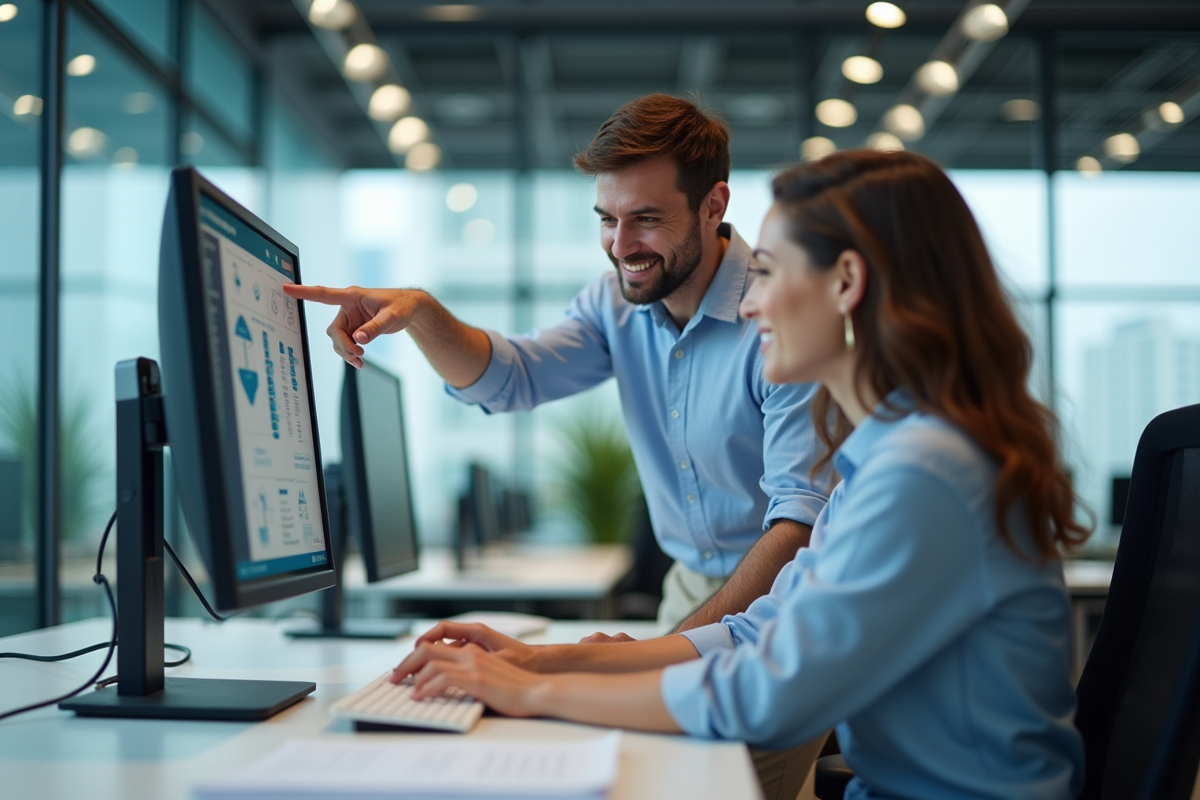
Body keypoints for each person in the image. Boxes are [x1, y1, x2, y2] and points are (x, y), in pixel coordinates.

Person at [388, 150, 1092, 800]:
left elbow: (767, 694)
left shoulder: (926, 474)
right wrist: (543, 663)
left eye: (771, 272)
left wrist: (527, 692)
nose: (750, 303)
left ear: (847, 283)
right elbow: (758, 634)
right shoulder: (884, 462)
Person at [284, 94, 830, 635]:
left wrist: (663, 653)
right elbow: (510, 379)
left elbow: (799, 525)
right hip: (689, 588)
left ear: (713, 206)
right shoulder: (612, 305)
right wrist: (421, 313)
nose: (621, 247)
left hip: (789, 591)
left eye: (646, 219)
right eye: (607, 220)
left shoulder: (782, 317)